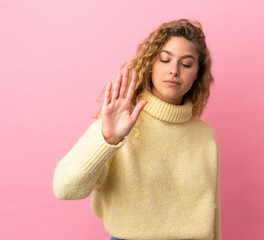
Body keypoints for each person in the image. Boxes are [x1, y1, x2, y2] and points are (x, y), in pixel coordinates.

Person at [53, 18, 221, 240]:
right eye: (164, 59)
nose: (174, 70)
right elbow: (64, 189)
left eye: (186, 64)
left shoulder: (205, 135)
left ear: (197, 74)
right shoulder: (121, 122)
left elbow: (211, 213)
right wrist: (108, 140)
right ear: (151, 64)